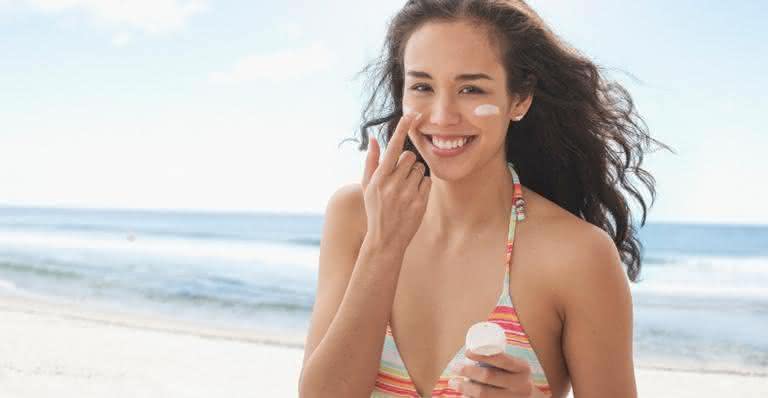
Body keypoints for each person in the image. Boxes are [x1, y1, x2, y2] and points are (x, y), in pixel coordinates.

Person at [299, 0, 671, 397]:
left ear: (520, 98)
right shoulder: (356, 217)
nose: (442, 115)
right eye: (422, 86)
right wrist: (383, 246)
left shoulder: (578, 256)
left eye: (470, 88)